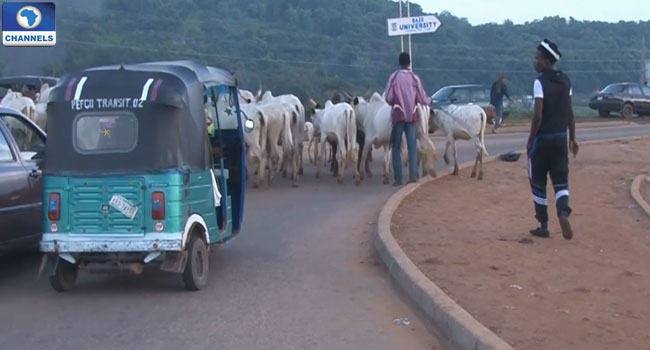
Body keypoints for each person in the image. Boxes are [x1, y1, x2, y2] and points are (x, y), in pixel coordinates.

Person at [527, 38, 579, 240]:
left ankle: (544, 225)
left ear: (547, 61)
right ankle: (564, 213)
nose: (535, 61)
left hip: (543, 140)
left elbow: (538, 115)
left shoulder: (540, 82)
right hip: (560, 138)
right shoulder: (566, 81)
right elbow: (570, 112)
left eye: (537, 58)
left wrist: (531, 139)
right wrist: (572, 138)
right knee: (561, 182)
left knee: (538, 182)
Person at [384, 52, 431, 186]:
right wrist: (430, 101)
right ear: (409, 63)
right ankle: (413, 176)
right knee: (412, 146)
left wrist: (396, 101)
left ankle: (398, 178)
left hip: (398, 115)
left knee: (396, 147)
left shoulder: (394, 77)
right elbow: (423, 98)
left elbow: (388, 98)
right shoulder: (414, 78)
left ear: (399, 63)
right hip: (413, 116)